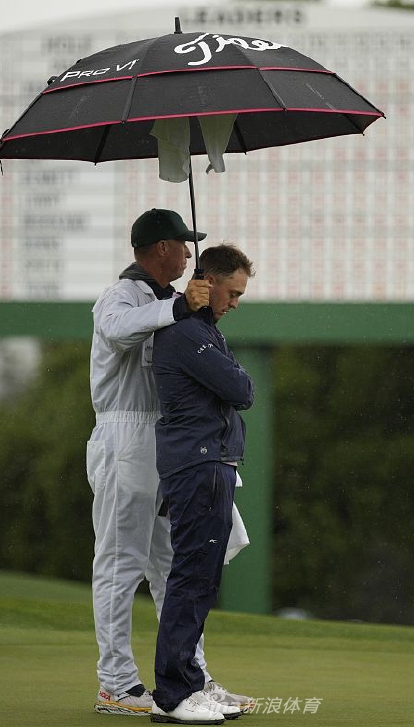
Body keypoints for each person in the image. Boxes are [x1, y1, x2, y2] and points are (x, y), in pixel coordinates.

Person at [86, 209, 252, 717]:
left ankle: (190, 677)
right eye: (183, 245)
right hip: (124, 434)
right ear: (161, 248)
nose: (189, 254)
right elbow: (117, 332)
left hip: (170, 440)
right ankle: (115, 682)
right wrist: (181, 306)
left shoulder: (171, 301)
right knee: (120, 562)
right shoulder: (121, 296)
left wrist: (186, 308)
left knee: (174, 567)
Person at [149, 245, 255, 725]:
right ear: (207, 281)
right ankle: (175, 694)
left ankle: (189, 684)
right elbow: (242, 391)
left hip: (209, 465)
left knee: (199, 580)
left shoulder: (203, 332)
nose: (234, 303)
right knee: (191, 580)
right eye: (231, 292)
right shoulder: (187, 334)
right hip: (198, 466)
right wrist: (232, 372)